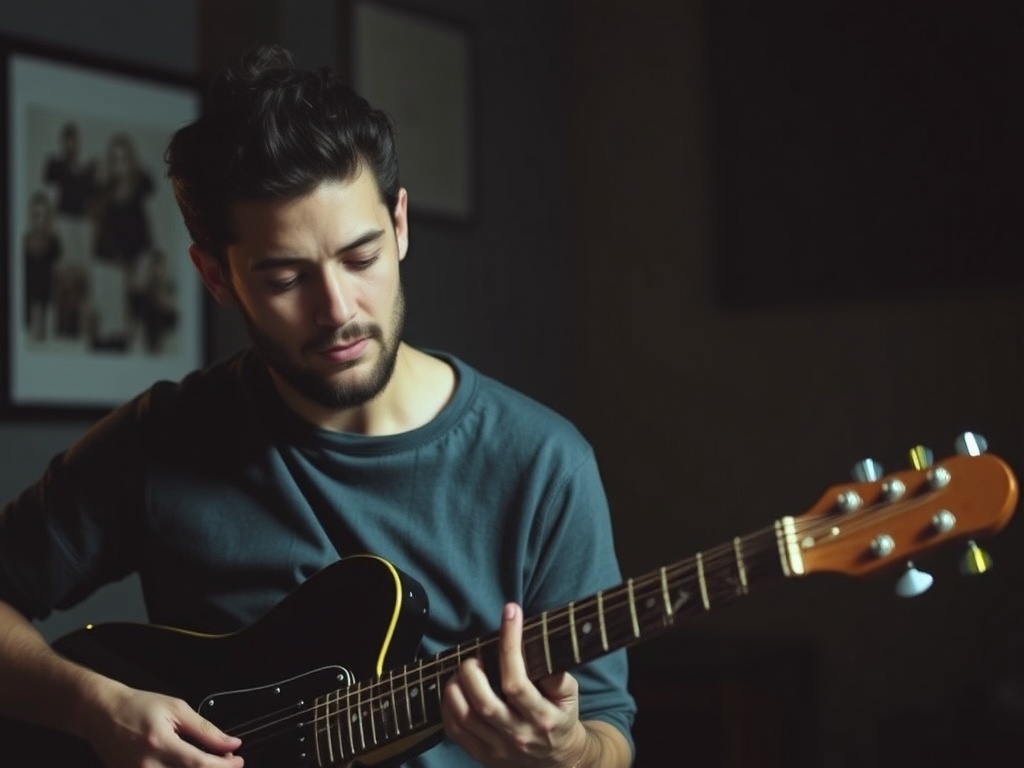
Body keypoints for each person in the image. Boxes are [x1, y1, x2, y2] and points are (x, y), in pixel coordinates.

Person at [0, 45, 635, 768]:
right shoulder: (162, 438)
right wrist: (91, 707)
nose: (337, 310)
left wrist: (568, 751)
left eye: (361, 259)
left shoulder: (544, 464)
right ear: (215, 276)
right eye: (284, 278)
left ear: (399, 225)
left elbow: (608, 733)